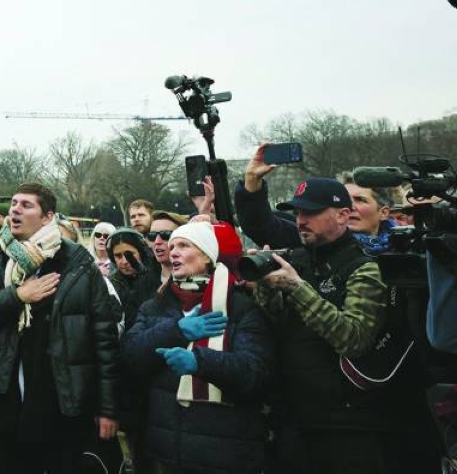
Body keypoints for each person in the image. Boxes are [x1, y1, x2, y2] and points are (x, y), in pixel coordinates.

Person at [0, 182, 120, 474]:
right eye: (13, 204)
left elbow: (103, 339)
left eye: (26, 205)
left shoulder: (78, 263)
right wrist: (17, 296)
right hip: (3, 401)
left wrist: (107, 408)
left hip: (61, 401)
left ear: (47, 217)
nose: (15, 210)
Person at [250, 176, 390, 473]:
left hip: (347, 425)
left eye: (311, 213)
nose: (301, 221)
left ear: (342, 214)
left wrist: (297, 288)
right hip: (293, 417)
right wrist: (264, 283)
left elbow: (353, 339)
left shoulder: (365, 266)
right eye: (298, 213)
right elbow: (277, 321)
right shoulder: (297, 259)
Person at [122, 222, 273, 474]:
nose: (174, 252)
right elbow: (129, 358)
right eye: (172, 247)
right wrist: (176, 331)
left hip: (226, 453)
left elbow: (256, 373)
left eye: (184, 245)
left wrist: (201, 362)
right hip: (167, 452)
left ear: (206, 257)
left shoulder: (239, 307)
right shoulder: (154, 306)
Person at [107, 227, 162, 331]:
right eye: (118, 256)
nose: (124, 261)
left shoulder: (158, 275)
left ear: (142, 252)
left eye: (130, 254)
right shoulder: (110, 285)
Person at [147, 211, 188, 285]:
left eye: (166, 235)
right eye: (152, 235)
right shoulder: (144, 282)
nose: (157, 241)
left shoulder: (199, 280)